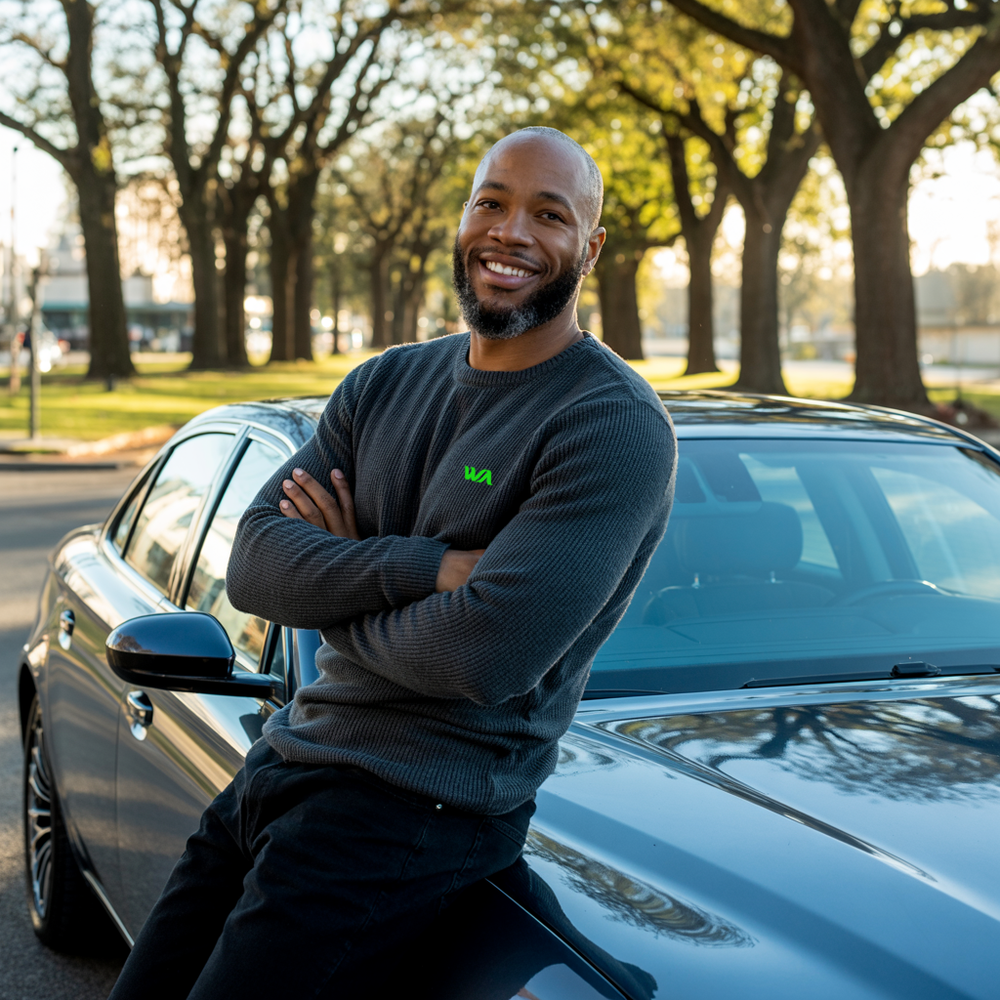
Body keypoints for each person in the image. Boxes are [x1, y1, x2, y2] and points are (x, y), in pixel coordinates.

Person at [107, 126, 676, 1000]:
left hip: (410, 810)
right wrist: (427, 569)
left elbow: (481, 656)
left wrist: (332, 586)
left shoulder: (610, 423)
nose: (510, 231)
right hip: (283, 763)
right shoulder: (383, 384)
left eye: (548, 214)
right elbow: (254, 567)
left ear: (590, 248)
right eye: (491, 203)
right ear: (463, 219)